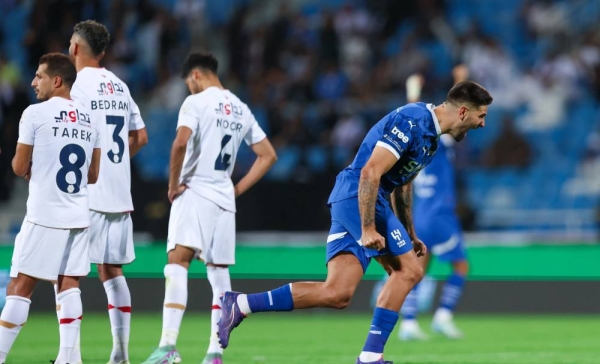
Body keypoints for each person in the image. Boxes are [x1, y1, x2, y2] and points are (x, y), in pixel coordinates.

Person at [218, 80, 492, 364]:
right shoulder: (412, 121)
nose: (482, 124)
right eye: (481, 115)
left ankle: (240, 304)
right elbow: (371, 171)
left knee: (337, 294)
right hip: (358, 196)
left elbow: (404, 184)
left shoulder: (432, 140)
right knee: (409, 271)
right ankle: (371, 356)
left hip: (363, 199)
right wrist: (368, 228)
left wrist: (410, 232)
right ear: (462, 112)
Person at [142, 53, 277, 364]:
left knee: (177, 262)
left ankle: (167, 347)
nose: (189, 88)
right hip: (223, 200)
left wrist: (173, 184)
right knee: (219, 276)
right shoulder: (241, 108)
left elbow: (179, 143)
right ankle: (215, 353)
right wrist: (237, 188)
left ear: (197, 76)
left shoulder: (196, 102)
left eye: (189, 83)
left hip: (196, 190)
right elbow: (268, 155)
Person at [0, 53, 100, 364]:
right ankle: (69, 358)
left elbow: (18, 167)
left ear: (57, 81)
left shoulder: (34, 114)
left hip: (45, 215)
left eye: (39, 76)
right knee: (68, 285)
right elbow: (93, 175)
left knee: (19, 287)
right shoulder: (88, 119)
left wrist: (32, 164)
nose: (32, 82)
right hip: (79, 215)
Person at [66, 20, 148, 364]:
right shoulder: (119, 85)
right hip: (119, 196)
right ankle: (121, 353)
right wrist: (116, 165)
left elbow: (73, 137)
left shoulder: (77, 86)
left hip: (89, 193)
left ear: (74, 48)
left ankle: (70, 357)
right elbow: (140, 137)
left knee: (68, 275)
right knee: (111, 271)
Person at [393, 68, 471, 341]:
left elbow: (411, 118)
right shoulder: (440, 143)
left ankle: (409, 323)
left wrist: (412, 91)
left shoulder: (415, 147)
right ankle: (443, 316)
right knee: (461, 266)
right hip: (439, 214)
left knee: (418, 270)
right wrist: (461, 79)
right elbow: (460, 111)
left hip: (418, 214)